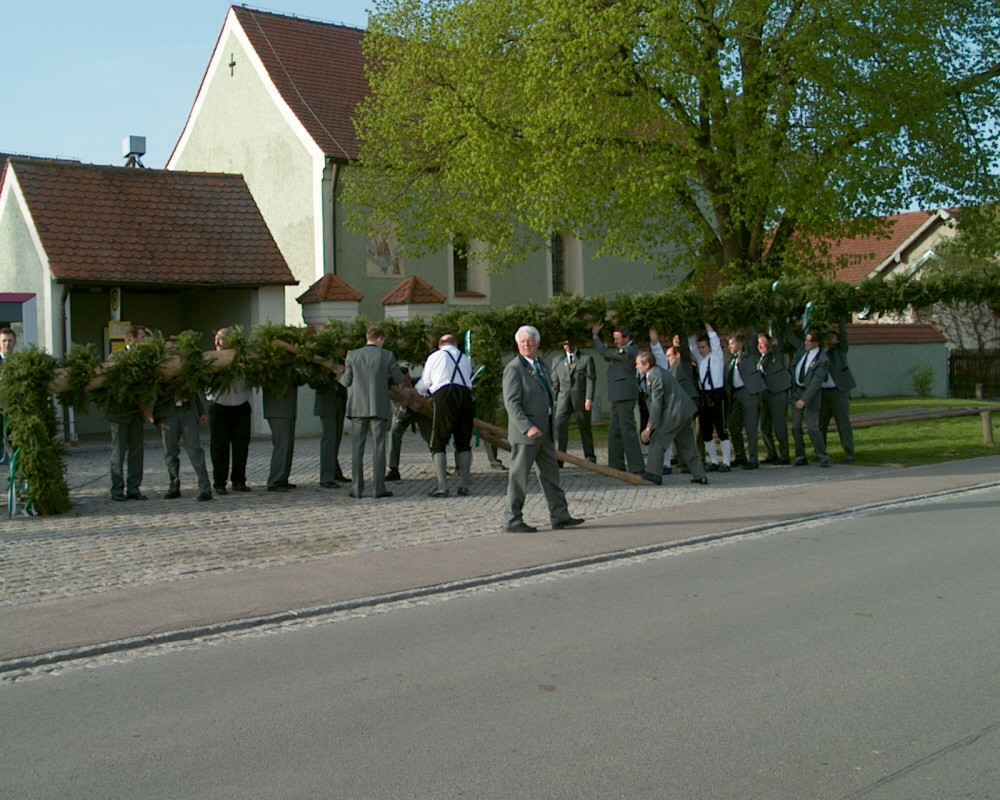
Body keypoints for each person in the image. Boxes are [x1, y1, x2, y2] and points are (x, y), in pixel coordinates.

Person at [502, 325, 584, 533]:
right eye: (522, 342)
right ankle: (512, 520)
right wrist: (526, 427)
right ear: (517, 345)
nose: (526, 344)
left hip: (545, 430)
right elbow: (511, 403)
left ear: (538, 343)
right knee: (519, 478)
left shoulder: (541, 365)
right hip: (526, 434)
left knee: (551, 475)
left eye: (529, 341)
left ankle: (560, 516)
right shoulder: (514, 369)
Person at [339, 325, 405, 499]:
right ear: (380, 339)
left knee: (357, 449)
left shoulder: (352, 355)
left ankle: (356, 488)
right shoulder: (387, 355)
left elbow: (346, 381)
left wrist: (337, 375)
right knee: (379, 447)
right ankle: (378, 488)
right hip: (379, 405)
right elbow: (398, 378)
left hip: (357, 407)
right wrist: (385, 378)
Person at [415, 333, 475, 496]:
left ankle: (442, 486)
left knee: (439, 441)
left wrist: (414, 392)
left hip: (445, 394)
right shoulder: (464, 358)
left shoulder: (436, 356)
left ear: (440, 344)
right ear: (455, 344)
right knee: (463, 441)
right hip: (465, 395)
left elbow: (425, 381)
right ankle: (465, 485)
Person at [635, 352, 707, 486]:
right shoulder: (659, 371)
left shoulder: (655, 375)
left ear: (647, 364)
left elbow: (657, 403)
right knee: (688, 445)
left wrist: (649, 428)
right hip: (685, 411)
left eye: (638, 364)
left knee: (657, 440)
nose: (636, 367)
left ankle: (653, 473)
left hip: (675, 412)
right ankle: (700, 475)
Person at [154, 350, 213, 502]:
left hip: (187, 410)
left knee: (195, 449)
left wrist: (201, 411)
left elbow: (194, 392)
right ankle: (174, 486)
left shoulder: (185, 367)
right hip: (168, 412)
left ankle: (205, 488)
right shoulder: (157, 368)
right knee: (170, 451)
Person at [590, 323, 644, 474]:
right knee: (615, 431)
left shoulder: (630, 350)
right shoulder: (623, 349)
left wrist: (595, 336)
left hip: (625, 394)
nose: (616, 342)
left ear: (627, 338)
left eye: (618, 339)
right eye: (614, 339)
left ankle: (637, 467)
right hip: (617, 394)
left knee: (627, 431)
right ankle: (616, 465)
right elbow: (609, 356)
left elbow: (606, 353)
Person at [207, 327, 252, 493]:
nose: (218, 342)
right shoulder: (210, 359)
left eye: (222, 338)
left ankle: (239, 481)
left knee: (241, 447)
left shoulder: (244, 357)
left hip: (241, 406)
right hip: (219, 407)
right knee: (219, 448)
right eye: (216, 338)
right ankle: (219, 482)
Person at [107, 325, 147, 501]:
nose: (144, 341)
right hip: (120, 413)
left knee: (136, 453)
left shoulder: (146, 360)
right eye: (142, 337)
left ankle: (134, 488)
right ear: (132, 339)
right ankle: (117, 490)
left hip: (137, 413)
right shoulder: (116, 358)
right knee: (118, 453)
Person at [787, 326, 831, 468]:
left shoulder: (822, 359)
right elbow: (790, 336)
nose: (806, 343)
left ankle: (822, 456)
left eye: (809, 341)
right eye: (806, 340)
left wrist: (804, 400)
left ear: (816, 343)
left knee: (812, 427)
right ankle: (801, 455)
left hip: (810, 394)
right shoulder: (802, 351)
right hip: (797, 392)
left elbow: (816, 383)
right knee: (795, 426)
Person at [550, 338, 597, 465]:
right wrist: (553, 399)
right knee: (559, 428)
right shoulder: (558, 360)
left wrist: (589, 398)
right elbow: (554, 382)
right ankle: (560, 457)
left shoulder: (586, 359)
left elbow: (591, 380)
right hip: (563, 399)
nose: (568, 346)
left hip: (580, 399)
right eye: (565, 344)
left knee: (584, 427)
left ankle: (590, 456)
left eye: (570, 343)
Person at [725, 330, 767, 469]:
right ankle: (740, 455)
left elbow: (753, 337)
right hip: (736, 395)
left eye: (732, 343)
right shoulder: (732, 361)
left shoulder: (749, 356)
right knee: (734, 426)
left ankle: (753, 458)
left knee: (751, 426)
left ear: (741, 344)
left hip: (748, 392)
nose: (730, 346)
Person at [693, 321, 731, 471]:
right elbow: (691, 345)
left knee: (721, 428)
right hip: (704, 396)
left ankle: (726, 461)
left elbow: (714, 339)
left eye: (703, 347)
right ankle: (714, 461)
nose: (701, 350)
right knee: (706, 430)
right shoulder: (701, 360)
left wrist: (706, 324)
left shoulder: (717, 357)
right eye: (700, 347)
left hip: (717, 395)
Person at [385, 364, 432, 482]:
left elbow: (430, 396)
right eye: (404, 381)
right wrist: (403, 408)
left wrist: (421, 403)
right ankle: (393, 469)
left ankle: (439, 461)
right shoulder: (393, 390)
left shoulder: (419, 383)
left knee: (430, 436)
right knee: (393, 433)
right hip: (405, 415)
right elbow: (398, 416)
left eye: (408, 379)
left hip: (422, 414)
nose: (407, 382)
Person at [820, 319, 857, 464]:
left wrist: (841, 318)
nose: (830, 341)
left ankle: (849, 453)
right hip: (824, 393)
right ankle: (821, 452)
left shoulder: (840, 350)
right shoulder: (823, 354)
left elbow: (844, 335)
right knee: (820, 425)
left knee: (843, 424)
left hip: (839, 392)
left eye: (832, 338)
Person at [756, 330, 792, 465]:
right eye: (758, 344)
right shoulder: (759, 359)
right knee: (764, 426)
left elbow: (778, 339)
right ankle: (771, 453)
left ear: (770, 343)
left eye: (763, 343)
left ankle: (784, 455)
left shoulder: (776, 355)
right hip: (765, 395)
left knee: (779, 426)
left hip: (778, 393)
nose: (760, 346)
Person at [263, 374, 302, 492]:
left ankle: (283, 478)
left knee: (287, 447)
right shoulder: (271, 365)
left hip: (288, 409)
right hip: (278, 409)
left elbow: (298, 380)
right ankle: (275, 481)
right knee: (282, 446)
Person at [314, 367, 349, 489]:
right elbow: (313, 383)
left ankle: (335, 472)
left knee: (336, 438)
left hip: (340, 400)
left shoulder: (342, 359)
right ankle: (326, 477)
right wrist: (325, 372)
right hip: (326, 402)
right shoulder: (319, 360)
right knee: (329, 439)